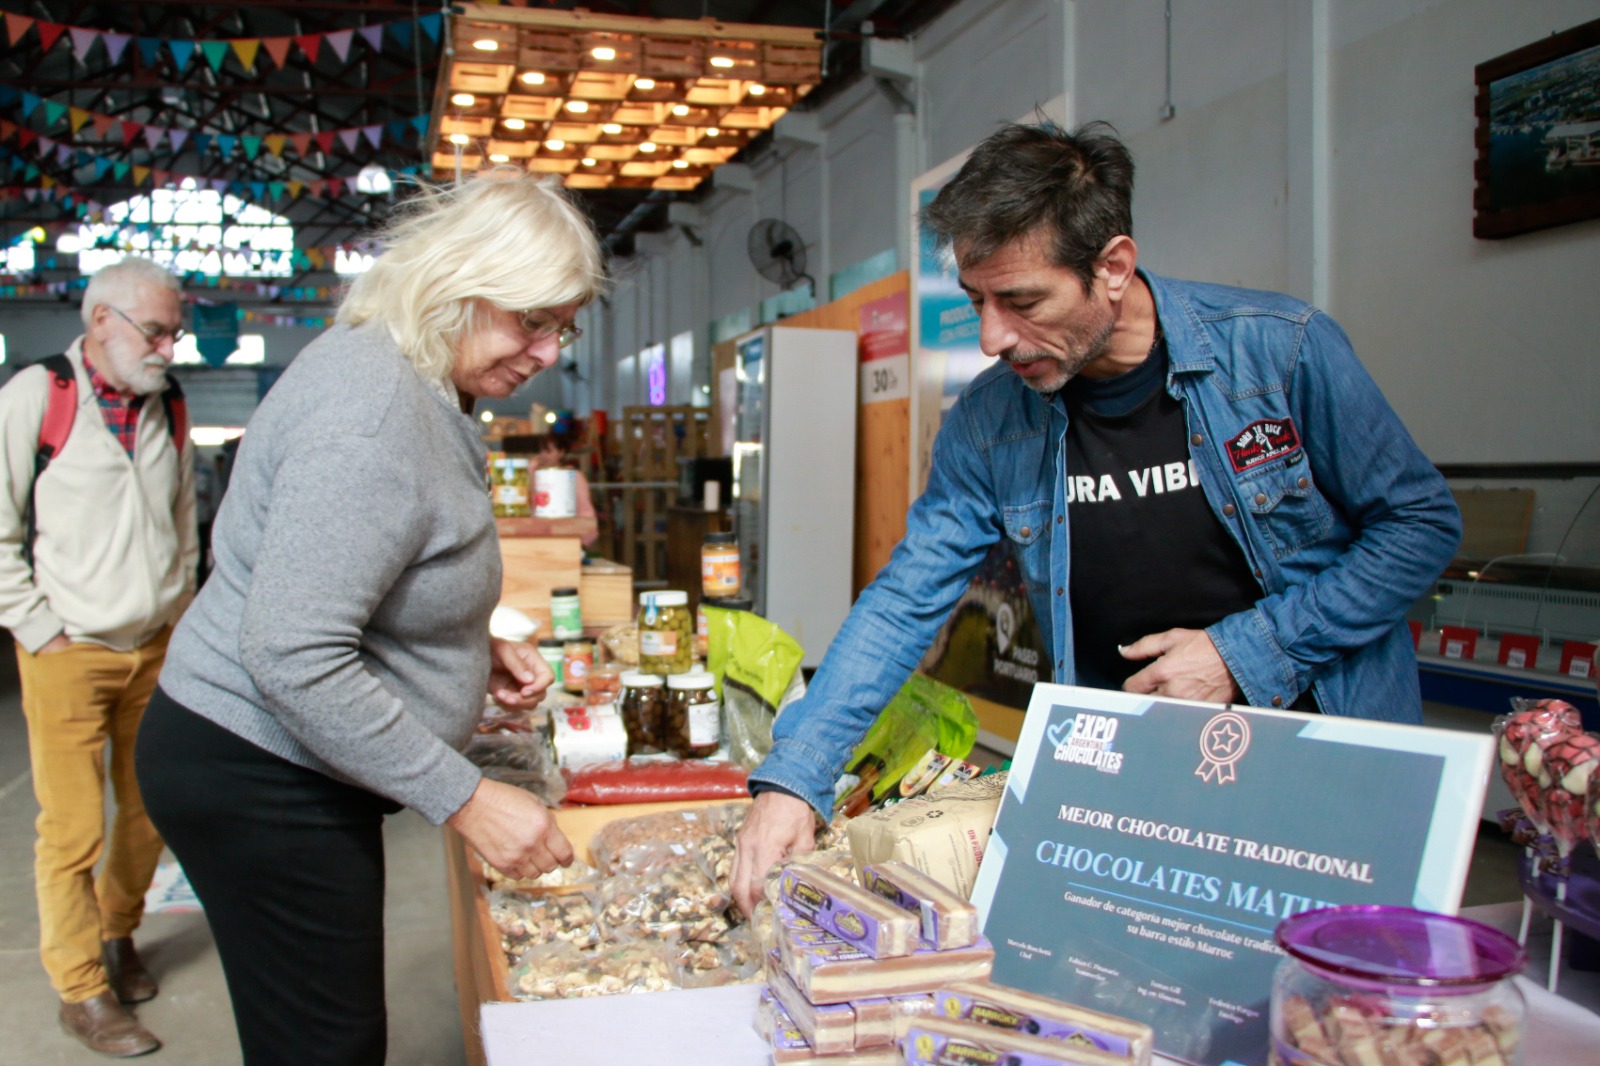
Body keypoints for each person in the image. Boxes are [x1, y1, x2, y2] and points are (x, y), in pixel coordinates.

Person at [729, 120, 1462, 914]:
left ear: (1112, 267)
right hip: (1129, 788)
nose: (992, 337)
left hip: (1322, 770)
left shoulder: (1279, 352)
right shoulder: (989, 422)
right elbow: (907, 598)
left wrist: (1242, 653)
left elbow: (1419, 525)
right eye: (977, 301)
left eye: (1022, 301)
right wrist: (795, 777)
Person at [134, 169, 605, 1065]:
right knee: (327, 1046)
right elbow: (292, 651)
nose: (548, 352)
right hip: (256, 768)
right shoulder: (373, 416)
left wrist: (464, 645)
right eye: (531, 320)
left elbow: (363, 568)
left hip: (278, 758)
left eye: (563, 327)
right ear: (457, 285)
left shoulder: (414, 375)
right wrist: (466, 798)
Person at [0, 255, 196, 1056]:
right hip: (68, 652)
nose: (168, 349)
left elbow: (183, 520)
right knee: (72, 830)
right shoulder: (36, 397)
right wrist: (38, 629)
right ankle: (80, 989)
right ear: (101, 321)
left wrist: (180, 612)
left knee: (152, 811)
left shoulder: (167, 405)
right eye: (156, 331)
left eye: (175, 333)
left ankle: (118, 935)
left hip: (155, 648)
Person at [530, 422, 599, 547]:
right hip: (539, 535)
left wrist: (584, 539)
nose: (543, 455)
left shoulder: (573, 476)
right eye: (541, 450)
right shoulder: (535, 474)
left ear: (561, 452)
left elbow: (585, 509)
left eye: (548, 451)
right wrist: (531, 475)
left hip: (568, 534)